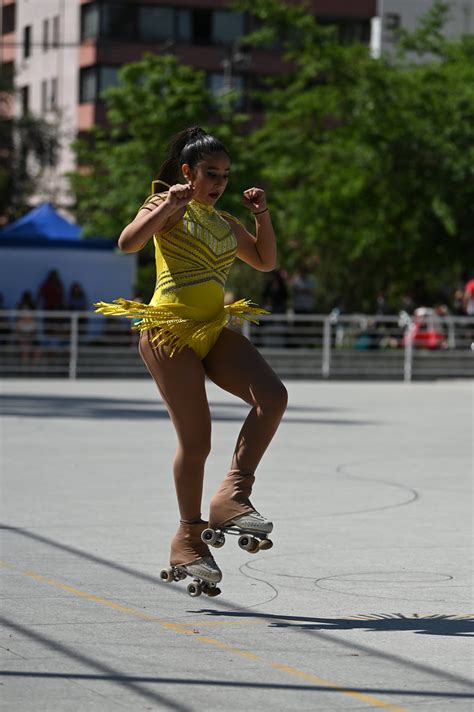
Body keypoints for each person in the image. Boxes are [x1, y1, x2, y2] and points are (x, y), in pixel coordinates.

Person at [95, 127, 287, 595]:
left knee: (272, 397)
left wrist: (260, 214)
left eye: (224, 175)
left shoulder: (224, 223)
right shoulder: (164, 206)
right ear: (187, 172)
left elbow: (264, 261)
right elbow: (128, 243)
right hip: (167, 331)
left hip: (212, 328)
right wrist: (168, 204)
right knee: (196, 439)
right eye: (210, 173)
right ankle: (187, 536)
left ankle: (232, 495)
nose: (218, 182)